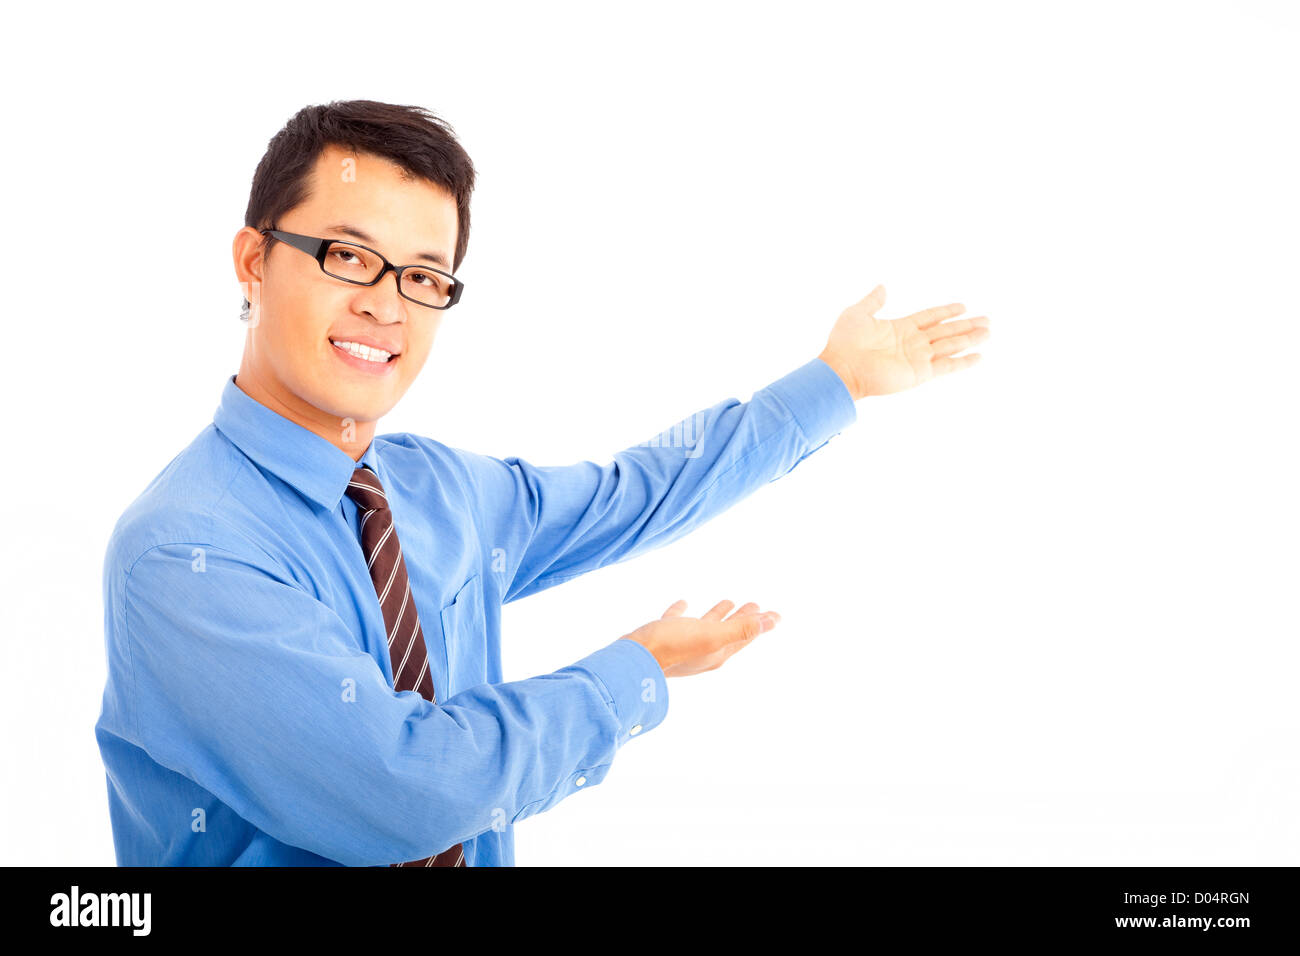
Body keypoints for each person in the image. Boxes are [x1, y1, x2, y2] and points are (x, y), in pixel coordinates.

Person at [94, 99, 991, 867]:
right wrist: (635, 672)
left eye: (422, 276)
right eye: (346, 256)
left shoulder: (433, 488)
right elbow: (405, 791)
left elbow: (633, 490)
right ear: (254, 260)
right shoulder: (187, 551)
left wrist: (830, 383)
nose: (385, 305)